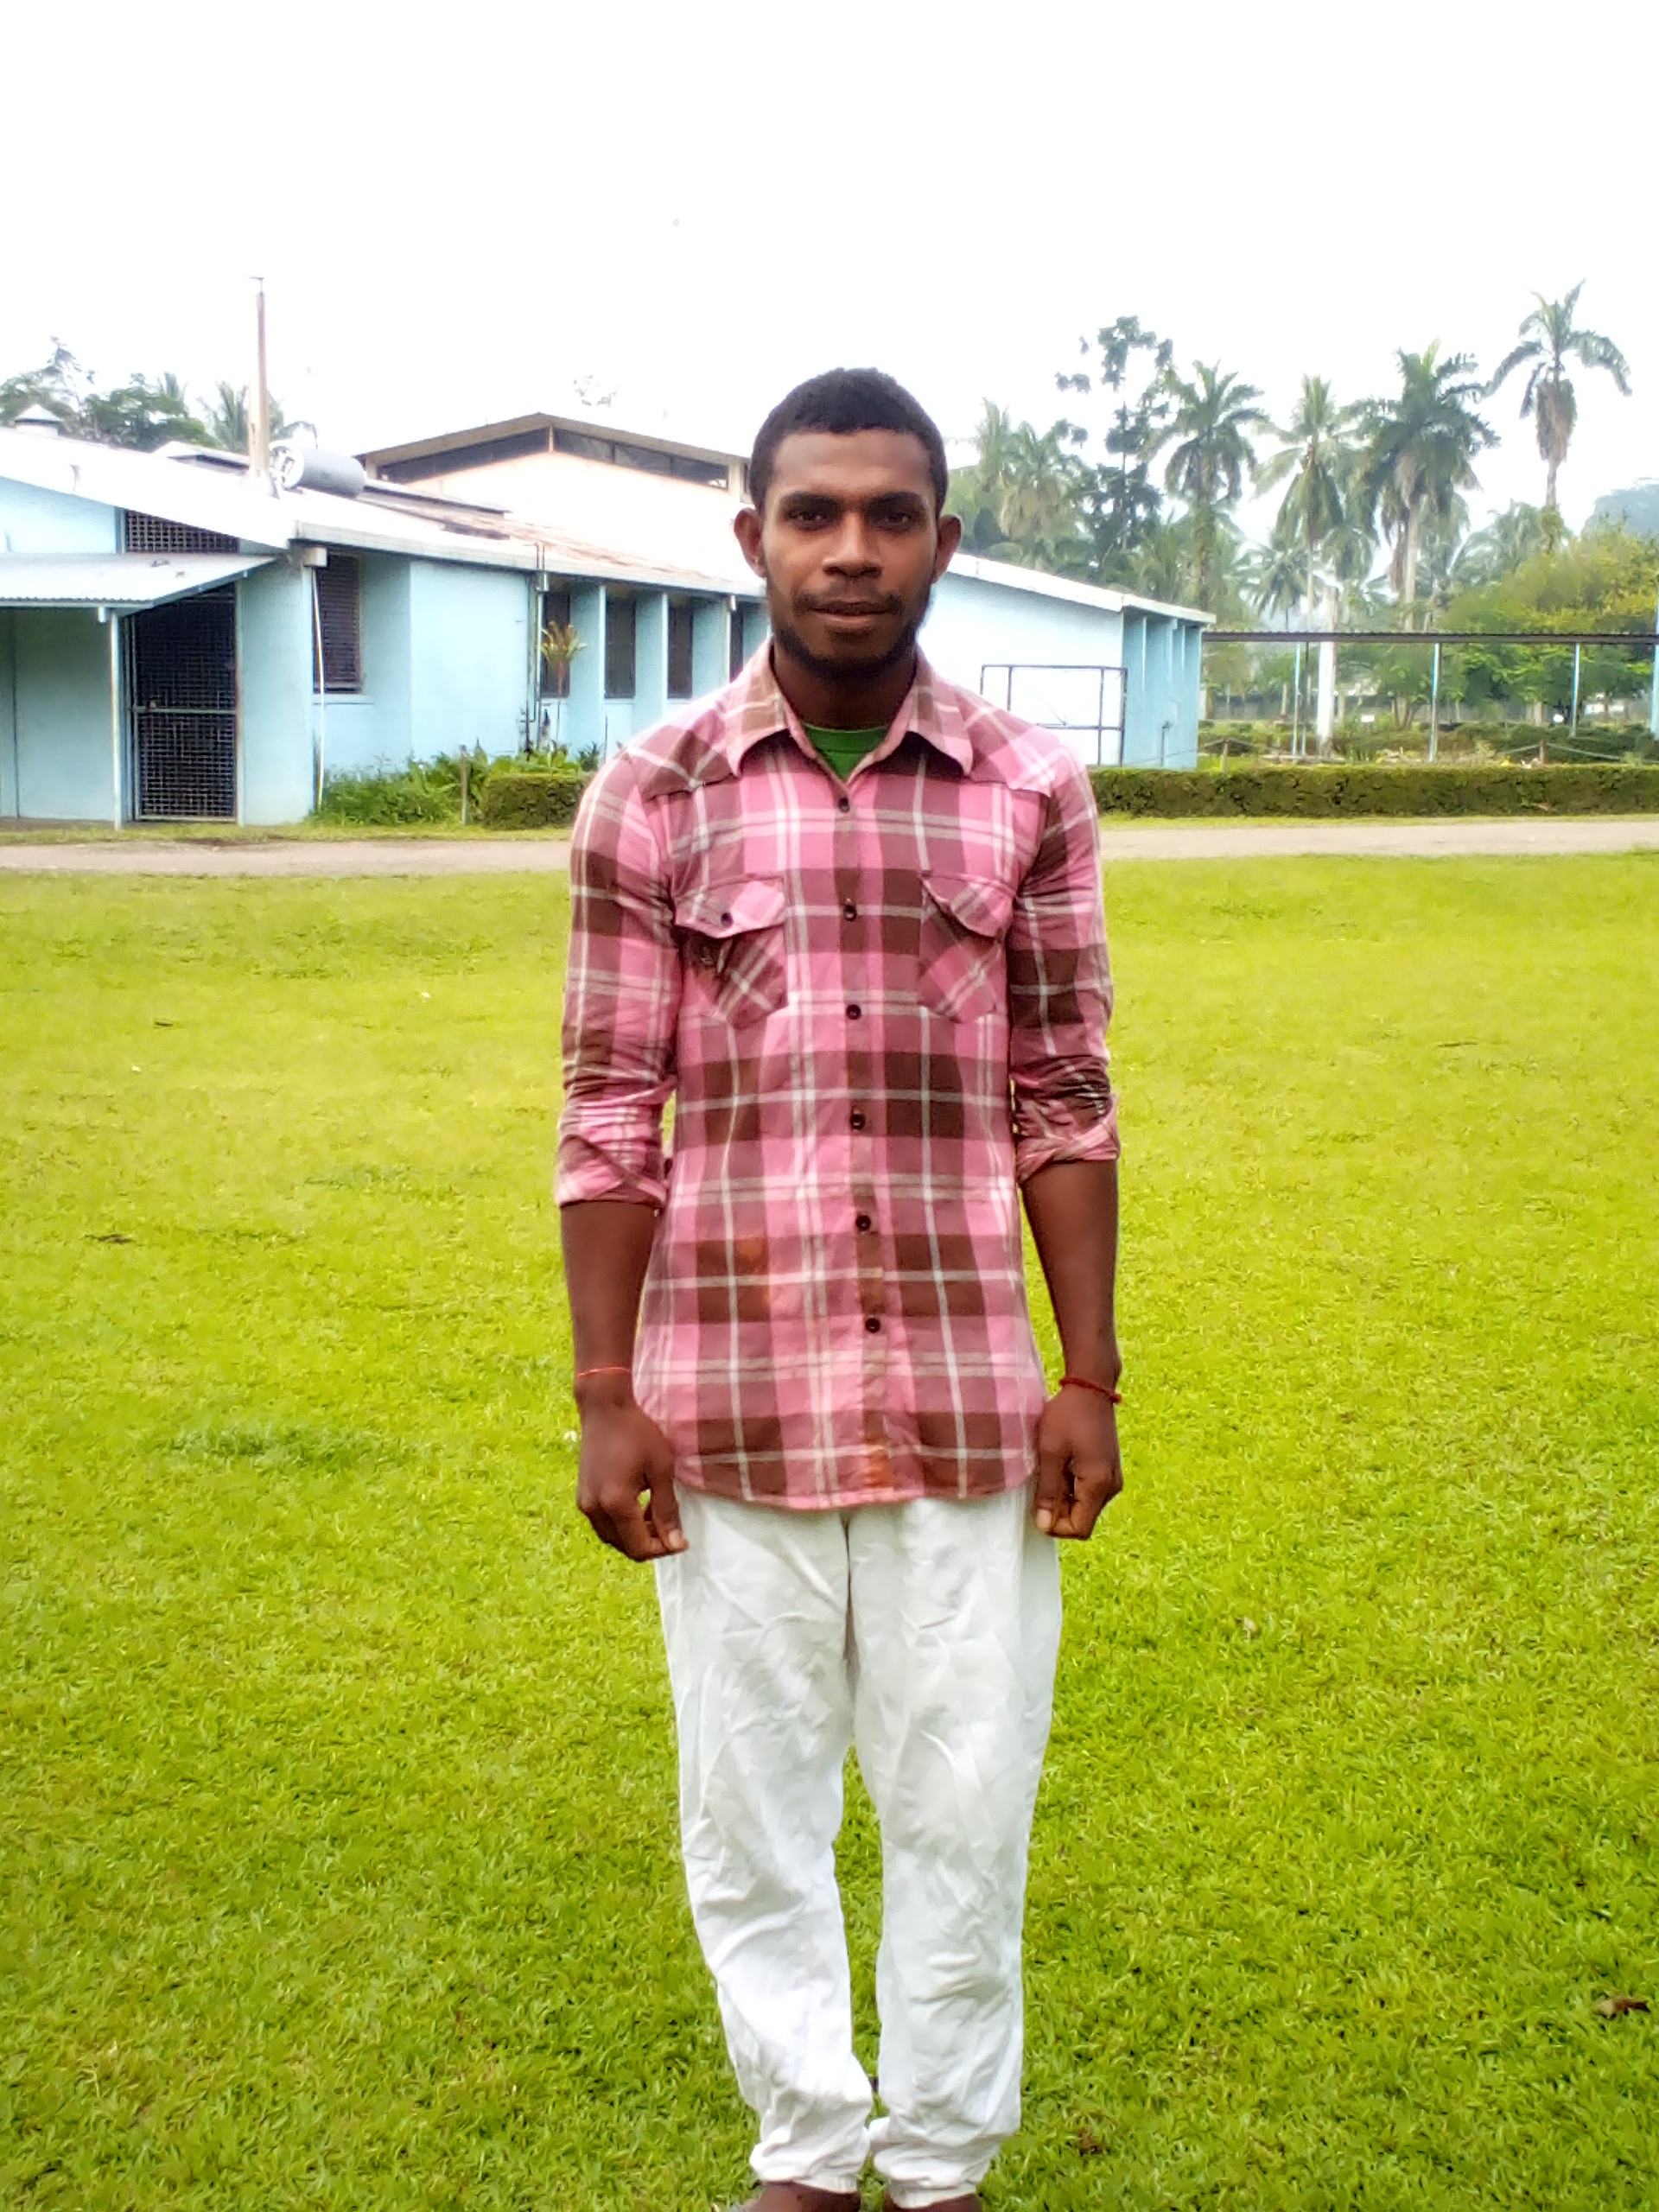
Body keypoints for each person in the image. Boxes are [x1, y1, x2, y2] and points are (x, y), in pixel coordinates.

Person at [557, 368, 1122, 2212]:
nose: (852, 551)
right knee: (751, 1808)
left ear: (944, 541)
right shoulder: (656, 793)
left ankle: (942, 2157)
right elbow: (609, 1110)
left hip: (966, 1402)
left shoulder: (1029, 787)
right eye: (814, 514)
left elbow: (1065, 1093)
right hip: (730, 1400)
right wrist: (604, 1394)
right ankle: (806, 2145)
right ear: (755, 538)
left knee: (967, 1805)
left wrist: (1091, 1374)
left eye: (890, 515)